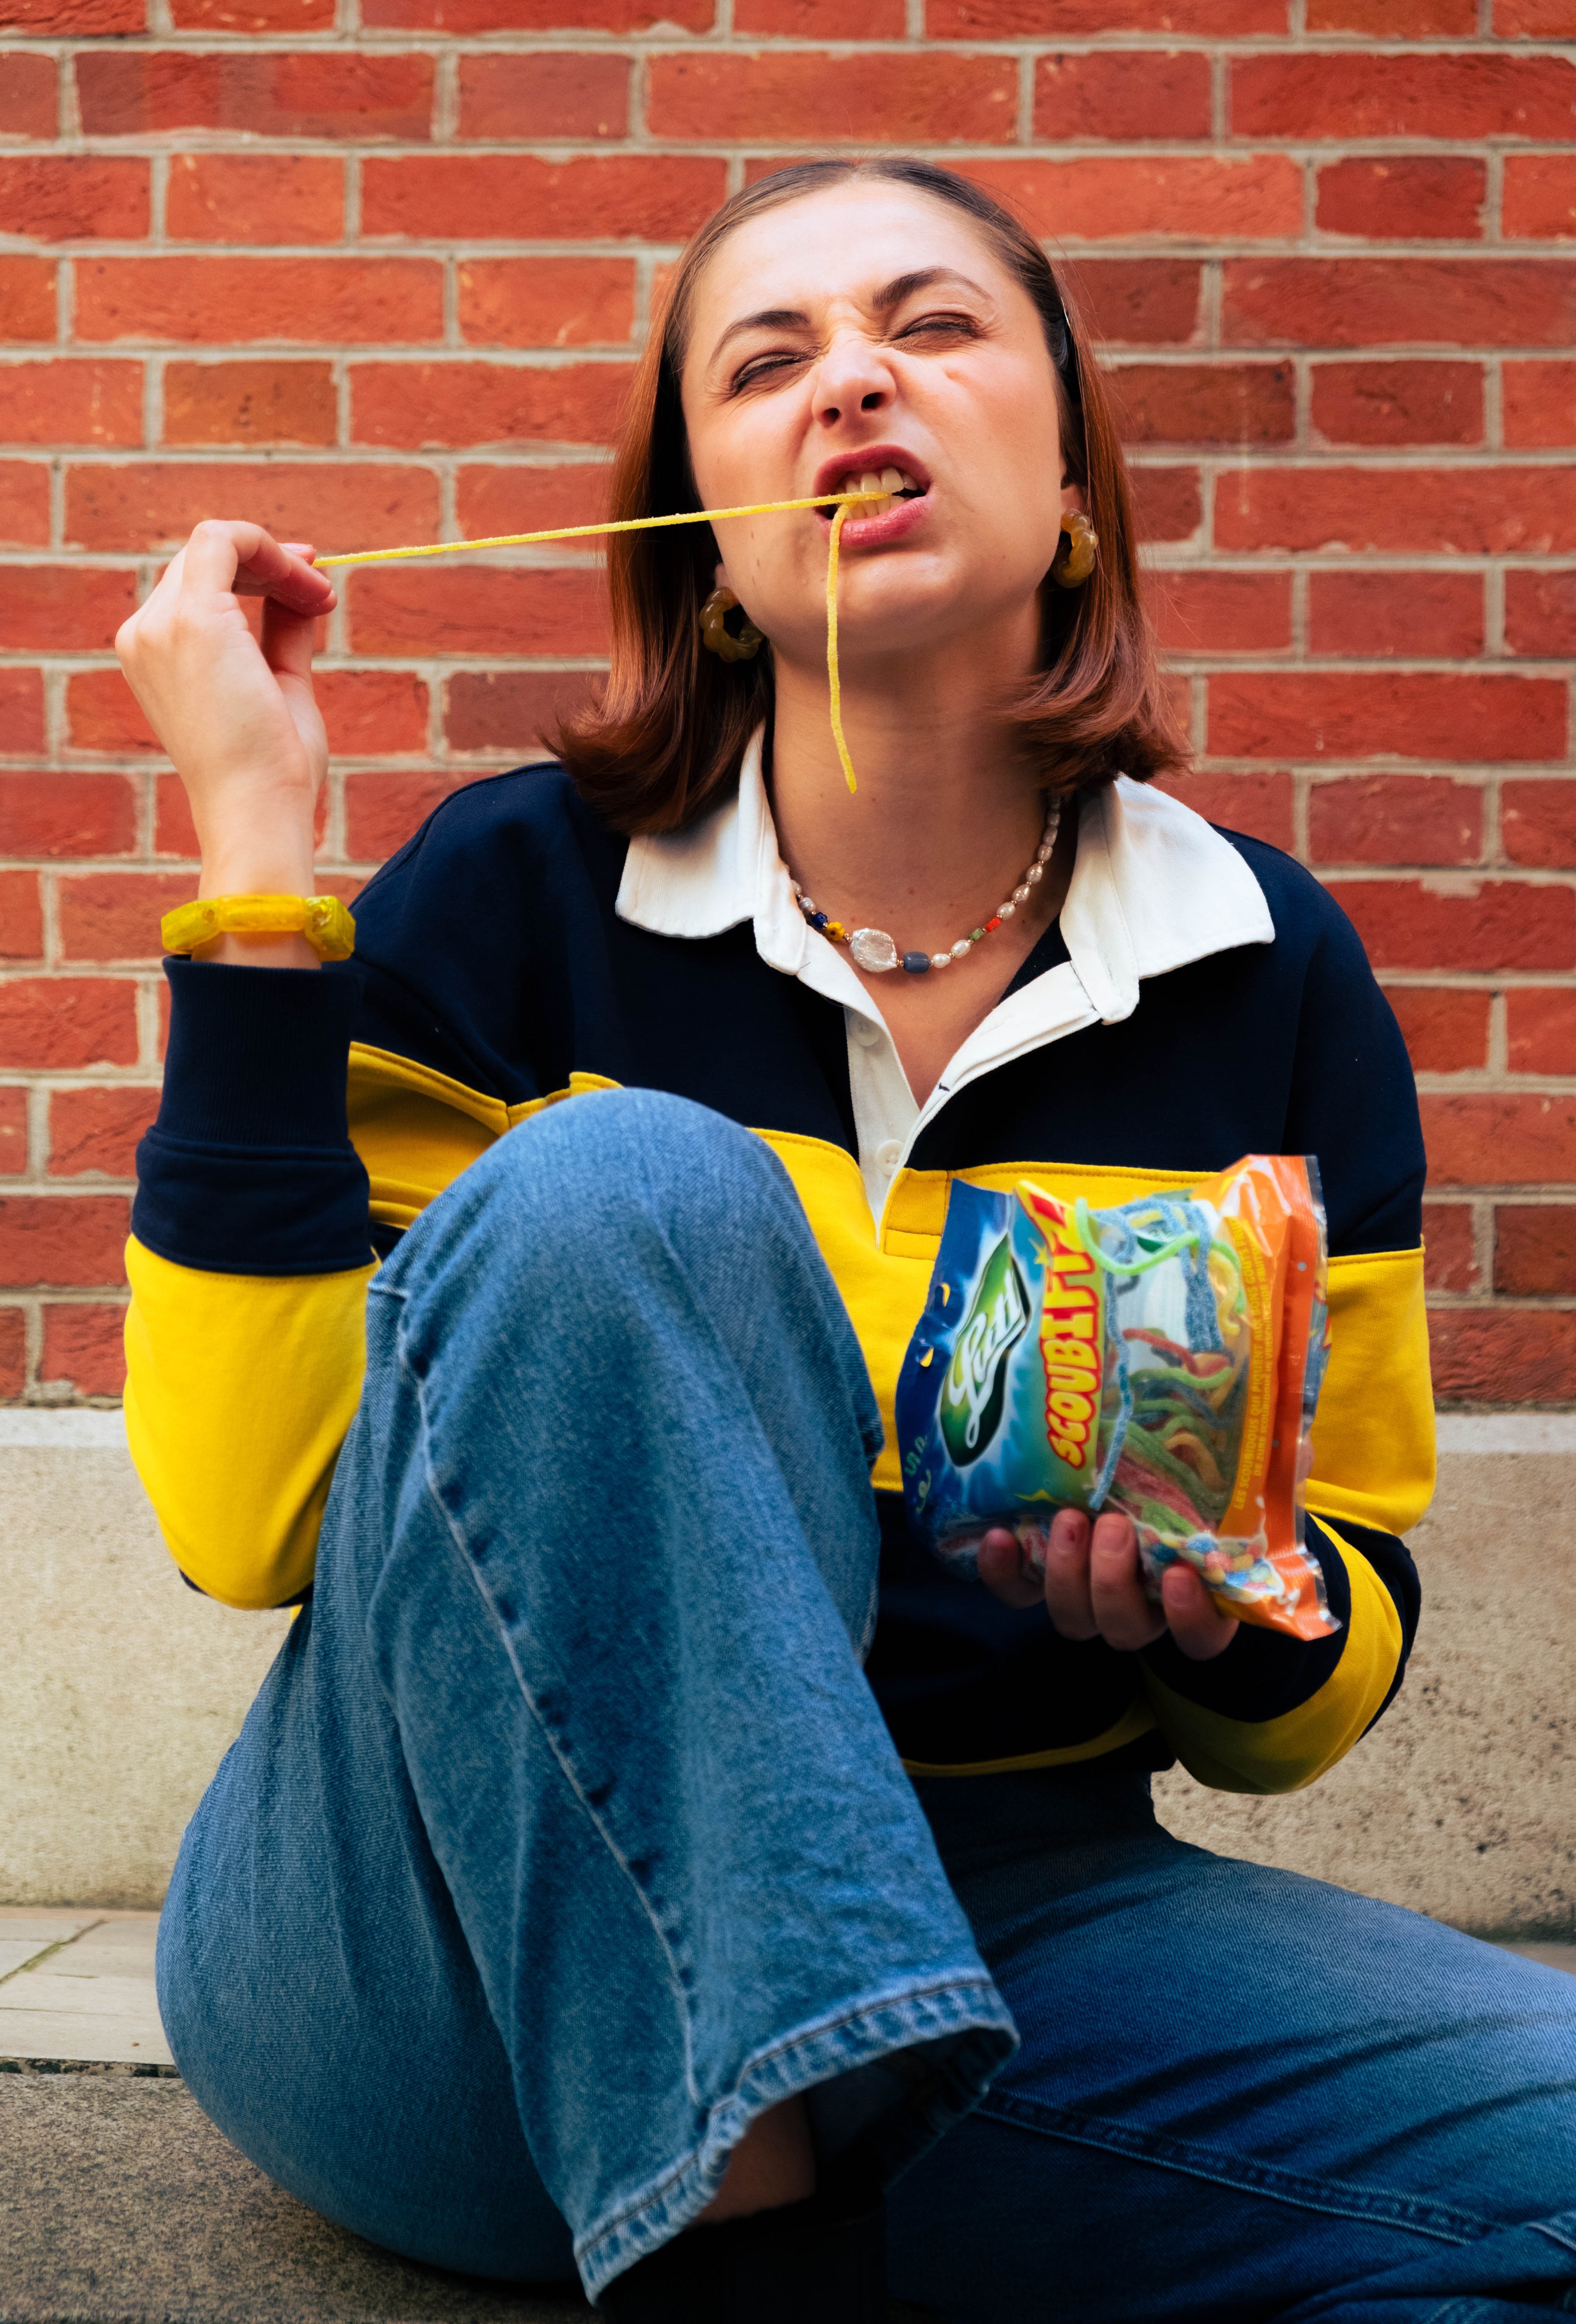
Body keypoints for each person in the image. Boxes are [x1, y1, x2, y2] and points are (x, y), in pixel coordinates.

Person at [114, 158, 1576, 2324]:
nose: (854, 380)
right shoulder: (515, 899)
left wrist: (1200, 1620)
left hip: (1003, 1918)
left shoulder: (1264, 968)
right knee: (633, 1190)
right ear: (701, 537)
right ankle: (756, 2227)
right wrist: (257, 859)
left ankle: (866, 2167)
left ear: (1073, 486)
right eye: (766, 360)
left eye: (937, 326)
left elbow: (1322, 1645)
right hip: (431, 1936)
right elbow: (254, 1523)